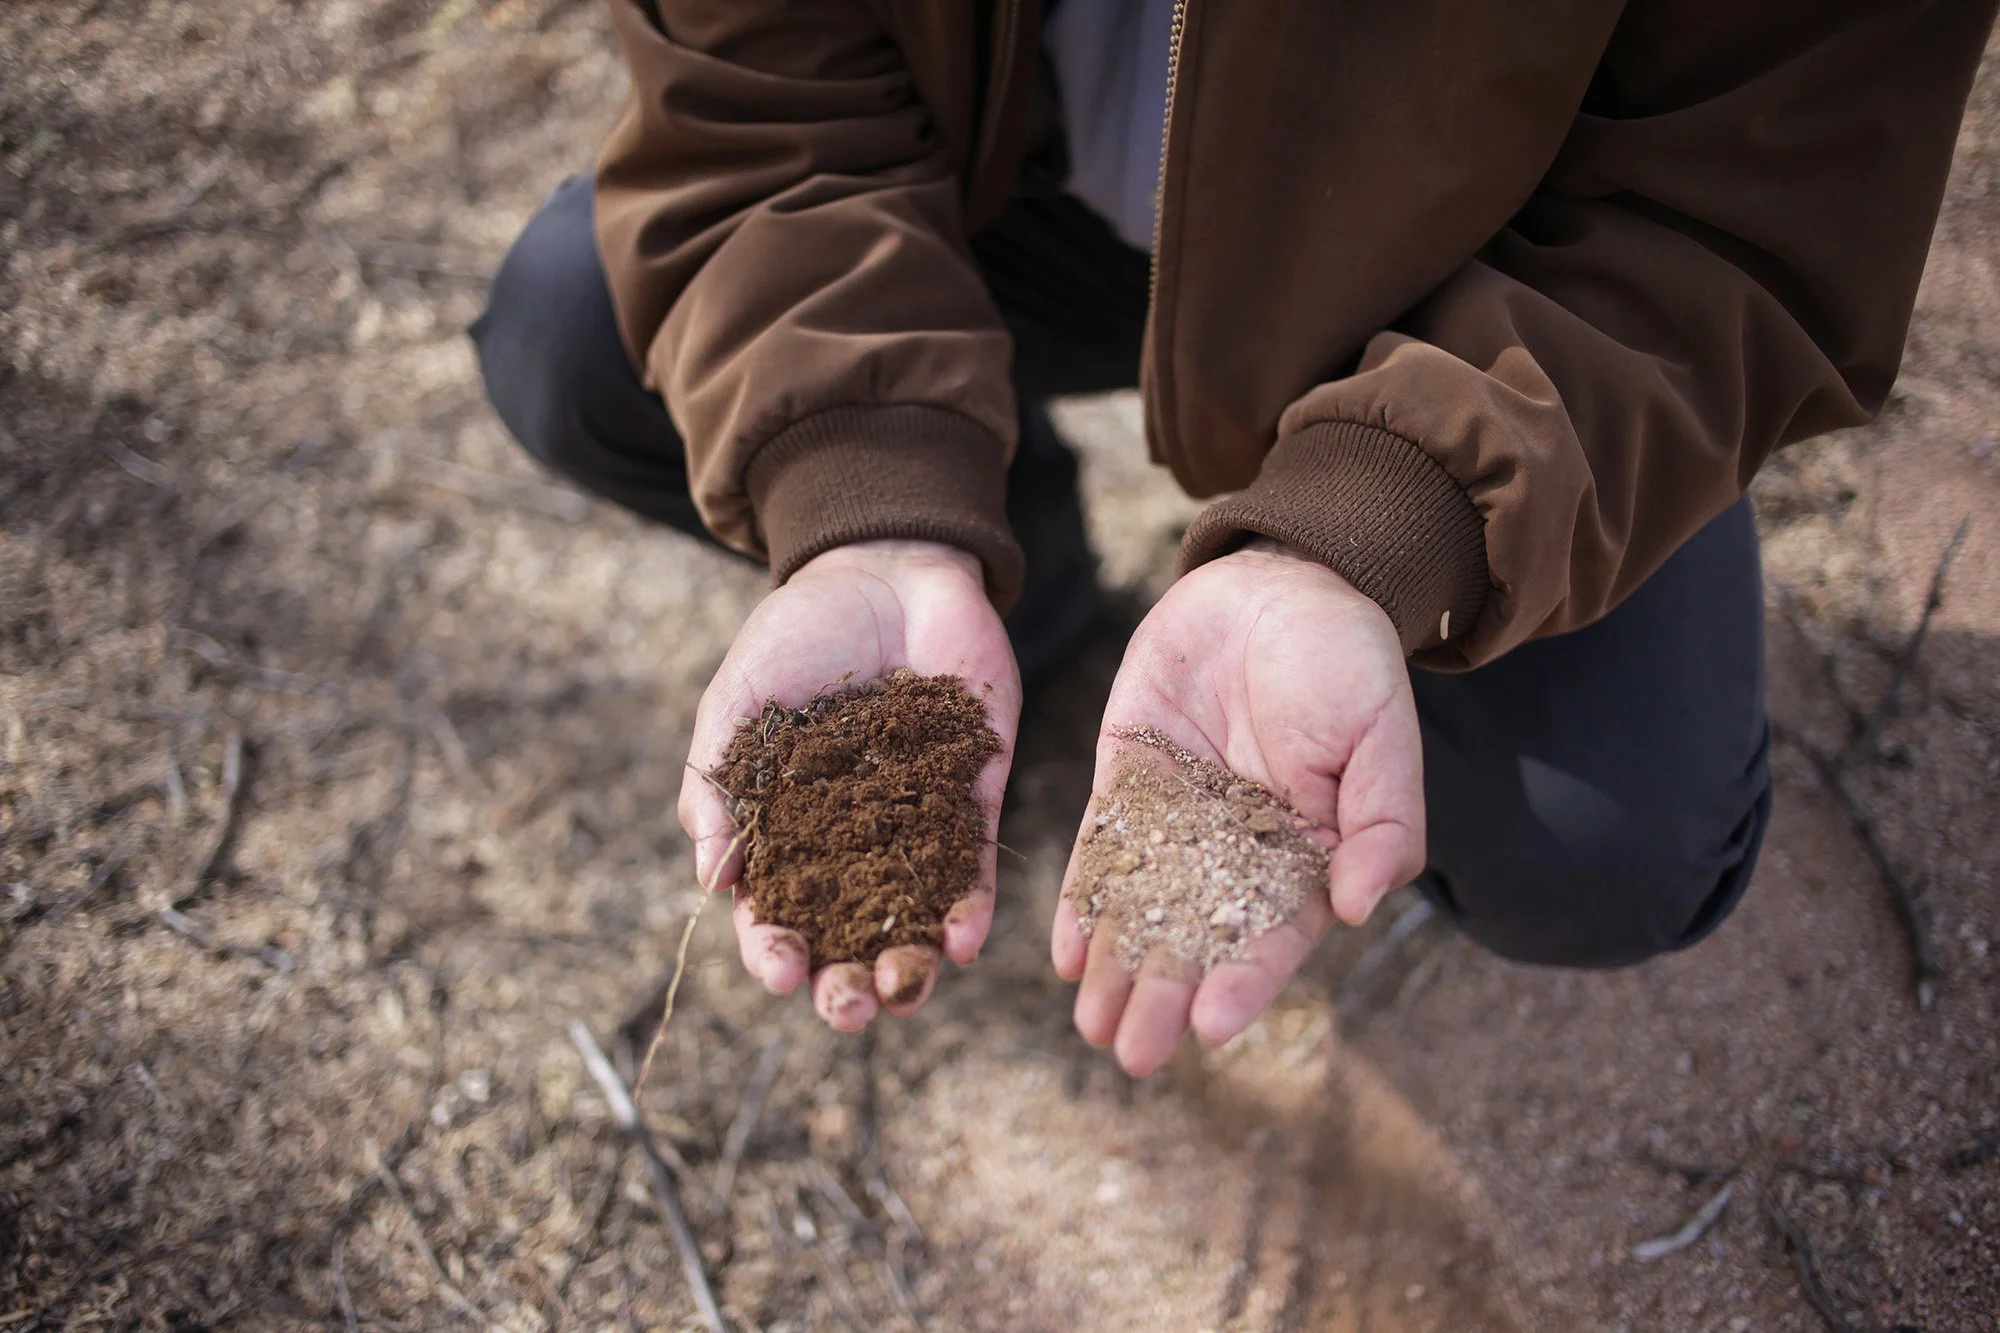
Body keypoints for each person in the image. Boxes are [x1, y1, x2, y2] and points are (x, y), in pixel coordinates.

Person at [474, 0, 1996, 1076]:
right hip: (1017, 194)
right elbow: (761, 111)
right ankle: (1026, 582)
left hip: (1506, 306)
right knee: (572, 326)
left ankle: (1406, 616)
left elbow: (1731, 214)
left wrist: (1363, 541)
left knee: (1602, 846)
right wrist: (867, 507)